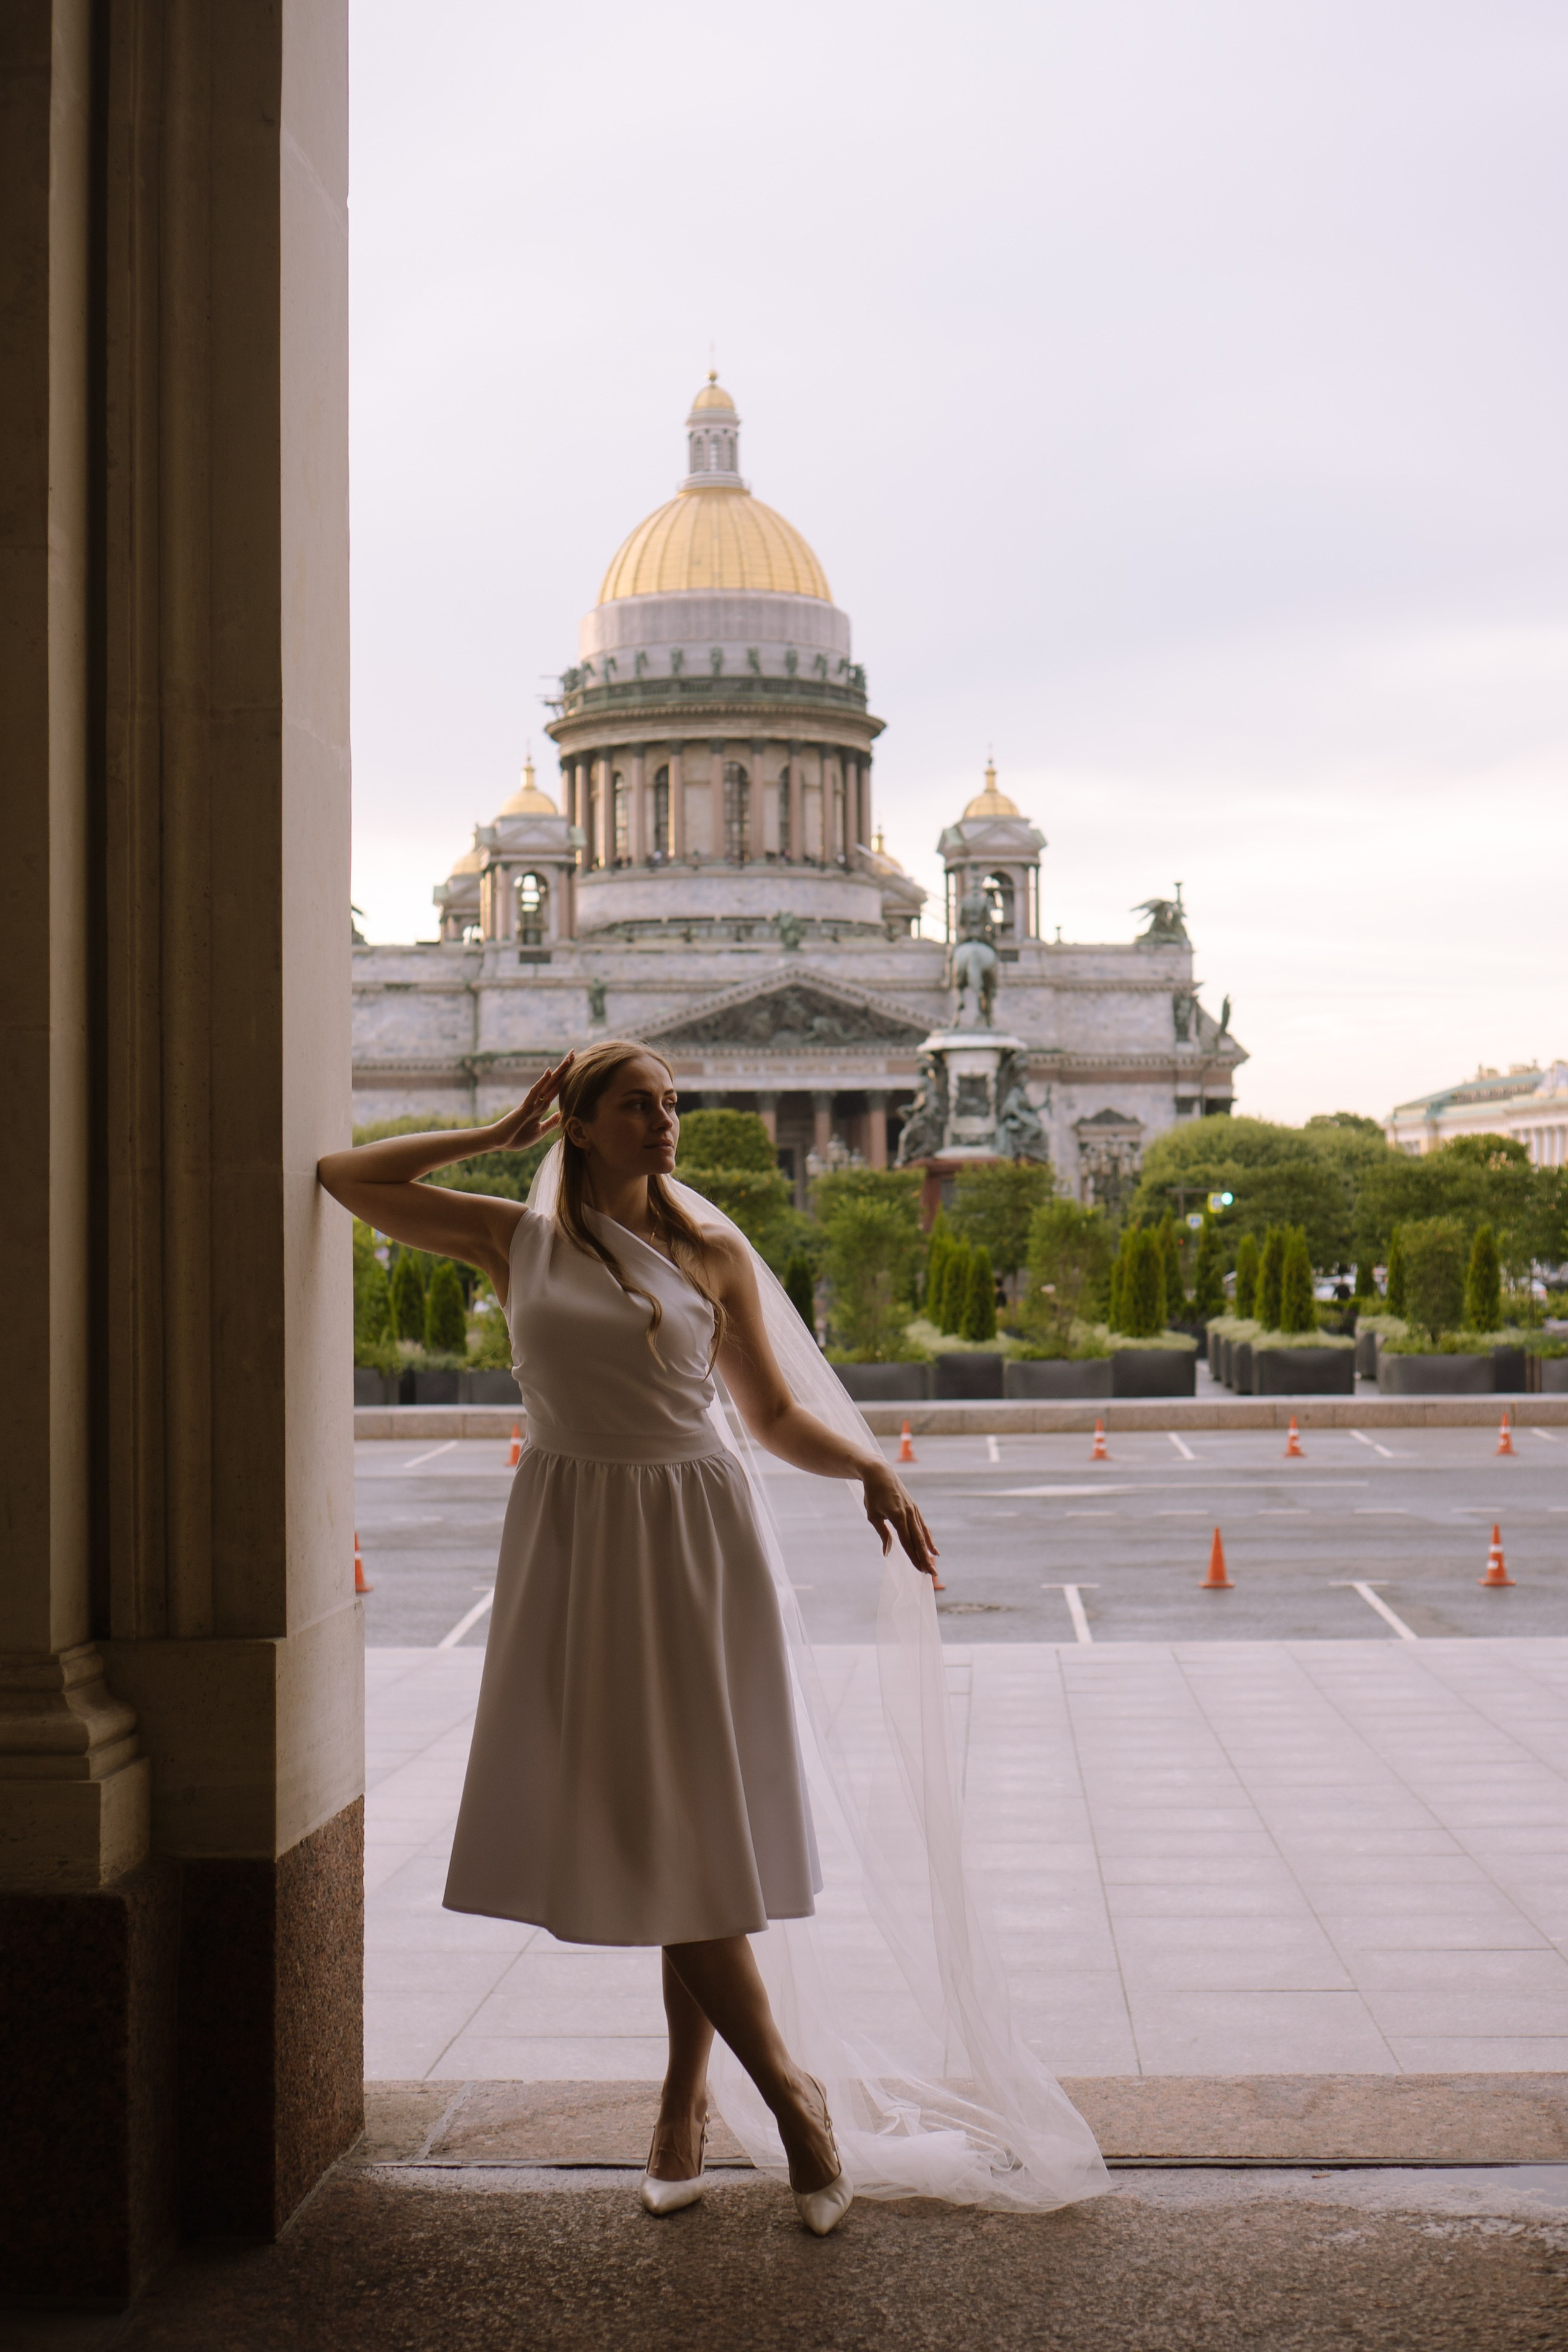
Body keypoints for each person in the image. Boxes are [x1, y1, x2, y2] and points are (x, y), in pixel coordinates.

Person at [317, 1039, 941, 2236]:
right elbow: (348, 1178)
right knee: (649, 1817)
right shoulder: (513, 1239)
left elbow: (769, 1416)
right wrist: (493, 1135)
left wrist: (866, 1464)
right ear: (580, 1124)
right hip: (575, 1536)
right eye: (636, 1106)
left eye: (671, 1104)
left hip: (697, 1534)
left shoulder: (712, 1251)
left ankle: (712, 2107)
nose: (664, 1123)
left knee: (685, 1819)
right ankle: (762, 2094)